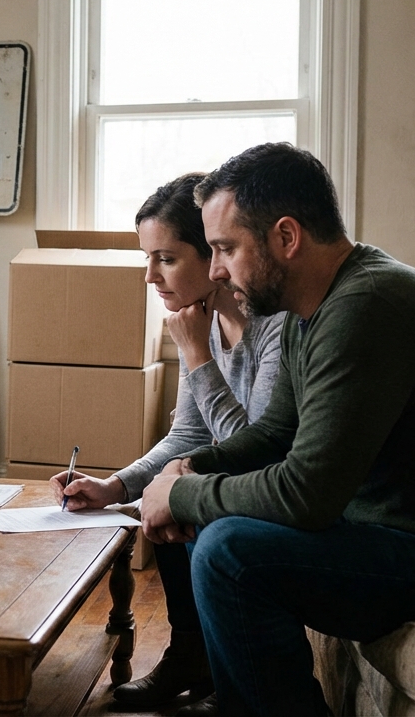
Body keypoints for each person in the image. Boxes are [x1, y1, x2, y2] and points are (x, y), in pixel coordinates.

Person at [138, 142, 415, 716]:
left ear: (286, 237)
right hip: (412, 535)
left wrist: (186, 493)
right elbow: (275, 435)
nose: (215, 270)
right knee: (216, 527)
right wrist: (189, 469)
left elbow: (305, 494)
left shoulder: (368, 307)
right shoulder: (306, 309)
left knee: (228, 552)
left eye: (226, 249)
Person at [50, 173, 284, 710]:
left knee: (182, 497)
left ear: (213, 255)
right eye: (147, 259)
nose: (151, 276)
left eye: (167, 258)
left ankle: (222, 675)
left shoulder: (273, 329)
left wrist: (199, 357)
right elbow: (188, 435)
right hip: (234, 481)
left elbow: (254, 450)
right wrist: (114, 487)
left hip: (268, 489)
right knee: (166, 488)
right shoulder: (198, 321)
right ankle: (189, 654)